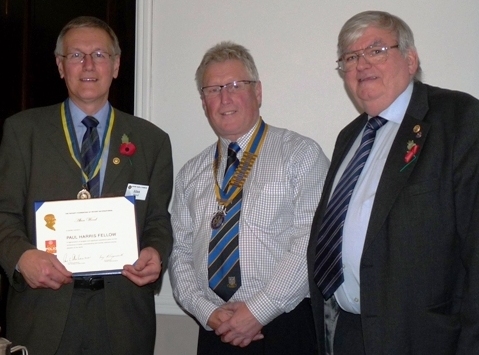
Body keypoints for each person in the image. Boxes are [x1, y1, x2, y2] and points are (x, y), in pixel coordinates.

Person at [307, 10, 479, 355]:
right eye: (351, 57)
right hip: (346, 332)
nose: (362, 64)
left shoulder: (457, 118)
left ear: (411, 59)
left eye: (376, 50)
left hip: (425, 338)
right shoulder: (350, 137)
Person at [0, 16, 173, 354]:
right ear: (60, 66)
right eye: (76, 55)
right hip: (43, 313)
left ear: (117, 64)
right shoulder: (23, 132)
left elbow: (157, 221)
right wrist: (22, 258)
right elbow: (4, 215)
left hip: (123, 317)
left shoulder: (152, 141)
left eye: (100, 54)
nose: (89, 64)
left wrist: (156, 253)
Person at [169, 41, 329, 354]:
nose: (224, 98)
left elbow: (310, 241)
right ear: (204, 102)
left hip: (284, 325)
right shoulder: (190, 173)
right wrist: (207, 313)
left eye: (234, 85)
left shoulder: (299, 154)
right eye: (213, 89)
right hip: (216, 330)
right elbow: (180, 251)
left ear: (257, 92)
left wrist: (258, 311)